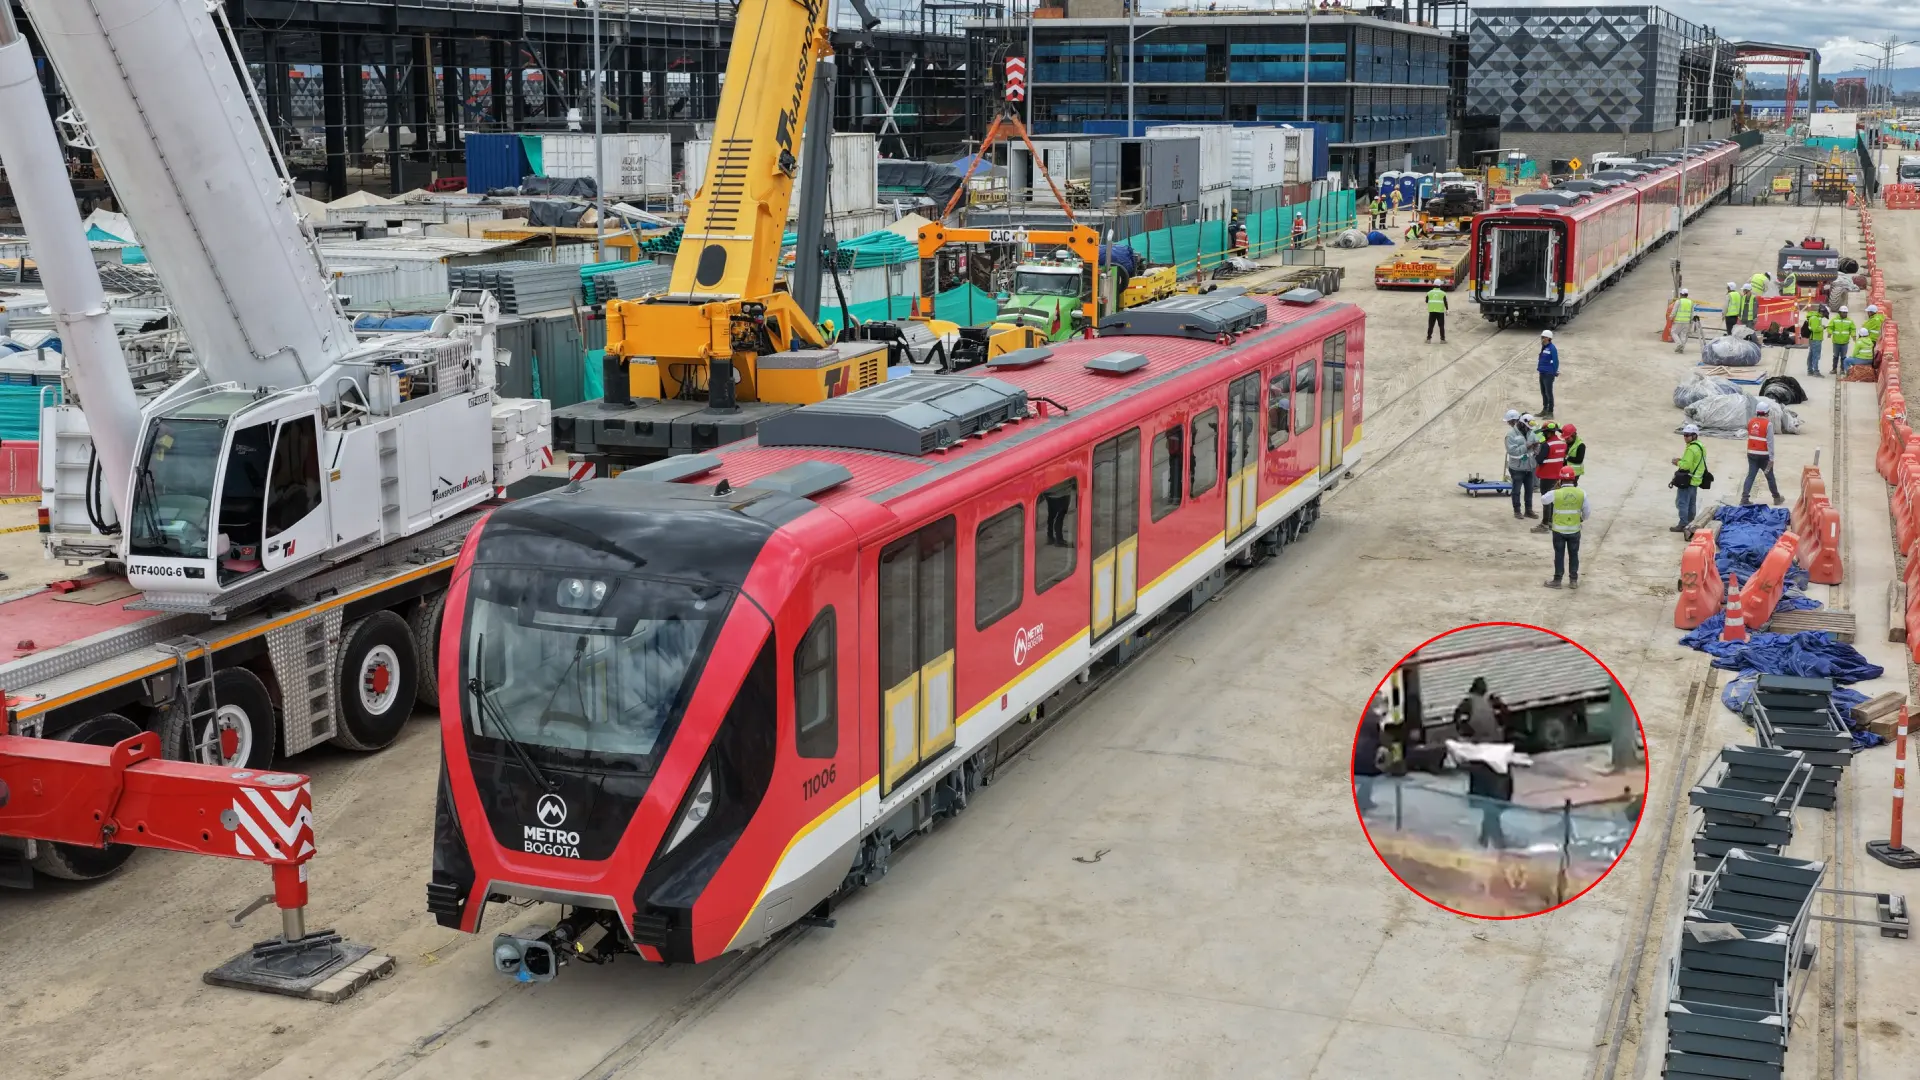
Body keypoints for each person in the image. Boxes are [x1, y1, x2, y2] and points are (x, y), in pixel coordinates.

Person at [1541, 473, 1588, 589]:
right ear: (1574, 480)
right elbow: (1587, 512)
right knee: (1573, 554)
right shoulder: (1582, 493)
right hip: (1574, 530)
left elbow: (1544, 500)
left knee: (1559, 555)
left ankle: (1557, 580)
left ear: (1560, 480)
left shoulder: (1555, 493)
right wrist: (1581, 518)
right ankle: (1573, 580)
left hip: (1559, 531)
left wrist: (1555, 488)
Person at [1740, 398, 1784, 506]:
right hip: (1764, 456)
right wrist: (1772, 458)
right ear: (1767, 412)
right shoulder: (1768, 424)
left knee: (1750, 476)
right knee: (1770, 476)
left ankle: (1744, 499)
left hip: (1751, 454)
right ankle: (1776, 498)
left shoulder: (1751, 422)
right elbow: (1770, 442)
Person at [1671, 423, 1707, 533]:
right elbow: (1695, 462)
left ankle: (1683, 524)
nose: (1685, 437)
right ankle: (1691, 523)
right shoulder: (1701, 446)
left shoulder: (1691, 449)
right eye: (1684, 435)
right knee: (1691, 503)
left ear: (1694, 436)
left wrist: (1677, 462)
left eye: (1687, 435)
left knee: (1682, 503)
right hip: (1696, 480)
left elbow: (1686, 465)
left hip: (1688, 480)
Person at [1531, 421, 1566, 534]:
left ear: (1549, 433)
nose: (1544, 435)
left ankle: (1545, 524)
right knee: (1554, 500)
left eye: (1544, 433)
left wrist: (1535, 453)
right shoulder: (1562, 443)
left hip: (1546, 476)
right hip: (1558, 477)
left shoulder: (1547, 445)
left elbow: (1539, 460)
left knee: (1546, 500)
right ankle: (1551, 521)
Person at [1503, 409, 1537, 520]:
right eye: (1527, 427)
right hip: (1517, 468)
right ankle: (1517, 511)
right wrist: (1526, 446)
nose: (1529, 429)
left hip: (1530, 466)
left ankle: (1528, 510)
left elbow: (1536, 444)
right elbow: (1512, 451)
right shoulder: (1511, 435)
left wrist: (1537, 447)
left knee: (1529, 490)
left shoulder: (1531, 432)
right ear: (1521, 424)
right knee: (1516, 490)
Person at [1354, 704, 1383, 811]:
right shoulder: (1374, 717)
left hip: (1357, 749)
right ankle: (1364, 801)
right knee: (1369, 777)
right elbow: (1377, 735)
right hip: (1367, 749)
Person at [1458, 676, 1503, 741]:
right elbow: (1458, 717)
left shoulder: (1487, 701)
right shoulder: (1471, 702)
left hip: (1485, 739)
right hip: (1481, 739)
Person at [1536, 329, 1559, 417]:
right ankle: (1545, 409)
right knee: (1543, 392)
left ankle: (1550, 412)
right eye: (1542, 337)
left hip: (1549, 374)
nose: (1542, 339)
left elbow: (1556, 361)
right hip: (1542, 372)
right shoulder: (1544, 347)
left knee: (1549, 393)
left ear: (1548, 338)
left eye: (1544, 337)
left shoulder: (1552, 348)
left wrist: (1554, 371)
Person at [1803, 304, 1828, 377]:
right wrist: (1822, 328)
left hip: (1814, 339)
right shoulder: (1815, 318)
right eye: (1824, 314)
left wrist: (1821, 326)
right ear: (1822, 312)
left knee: (1811, 355)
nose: (1824, 316)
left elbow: (1815, 327)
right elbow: (1815, 329)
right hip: (1815, 340)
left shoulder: (1816, 318)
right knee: (1816, 356)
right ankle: (1816, 372)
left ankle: (1810, 370)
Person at [1829, 305, 1855, 374]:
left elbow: (1852, 329)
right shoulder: (1834, 320)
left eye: (1846, 312)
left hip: (1845, 342)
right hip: (1836, 342)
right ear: (1839, 313)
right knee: (1835, 356)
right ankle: (1834, 369)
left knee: (1843, 357)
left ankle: (1842, 370)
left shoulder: (1849, 321)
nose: (1844, 314)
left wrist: (1853, 335)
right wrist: (1830, 332)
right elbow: (1830, 327)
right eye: (1843, 312)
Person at [1672, 288, 1699, 352]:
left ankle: (1679, 344)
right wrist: (1691, 321)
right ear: (1687, 295)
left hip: (1678, 320)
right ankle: (1682, 348)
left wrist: (1671, 317)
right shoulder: (1691, 302)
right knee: (1683, 334)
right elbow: (1692, 312)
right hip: (1687, 321)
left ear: (1681, 294)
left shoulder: (1679, 301)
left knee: (1674, 332)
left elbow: (1674, 311)